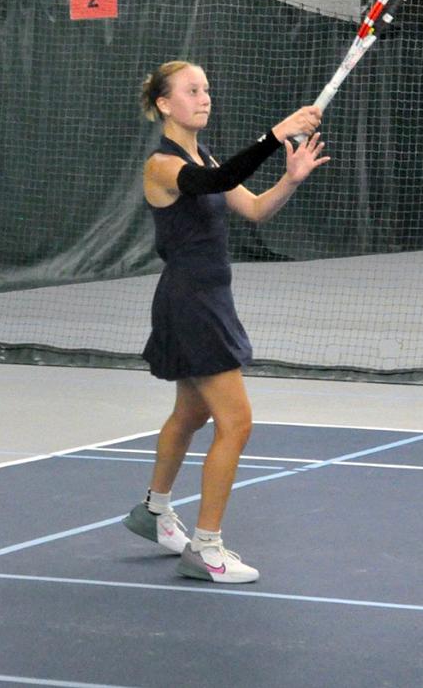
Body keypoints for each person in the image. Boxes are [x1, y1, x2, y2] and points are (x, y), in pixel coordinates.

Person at [123, 60, 329, 583]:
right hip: (191, 302)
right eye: (192, 90)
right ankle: (206, 547)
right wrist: (274, 135)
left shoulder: (204, 152)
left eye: (208, 89)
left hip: (208, 298)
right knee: (236, 423)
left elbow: (255, 209)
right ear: (165, 104)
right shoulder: (162, 165)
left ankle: (153, 513)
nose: (204, 97)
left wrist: (290, 177)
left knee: (191, 416)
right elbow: (216, 181)